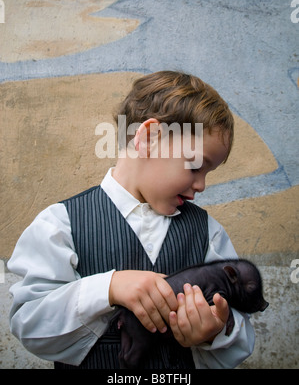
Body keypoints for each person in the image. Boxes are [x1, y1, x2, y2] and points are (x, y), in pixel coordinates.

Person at [8, 71, 254, 369]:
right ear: (149, 138)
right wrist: (107, 288)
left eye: (208, 174)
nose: (201, 185)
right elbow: (29, 324)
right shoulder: (60, 224)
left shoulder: (209, 235)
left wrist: (214, 332)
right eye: (196, 167)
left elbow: (241, 331)